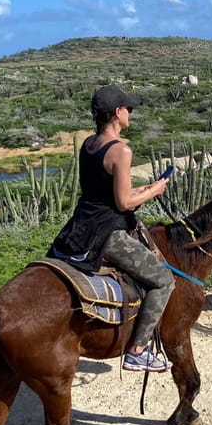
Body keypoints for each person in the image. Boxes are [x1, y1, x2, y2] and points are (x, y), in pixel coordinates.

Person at [48, 85, 175, 372]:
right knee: (164, 280)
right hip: (107, 233)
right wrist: (154, 191)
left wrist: (139, 189)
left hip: (79, 227)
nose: (131, 113)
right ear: (117, 113)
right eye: (128, 109)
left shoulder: (89, 144)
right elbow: (122, 203)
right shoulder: (121, 150)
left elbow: (103, 192)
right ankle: (138, 350)